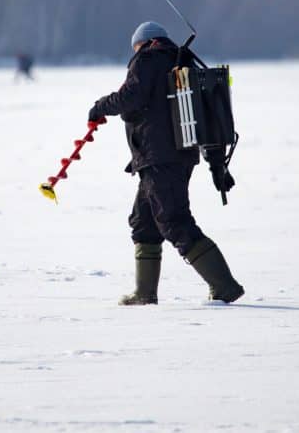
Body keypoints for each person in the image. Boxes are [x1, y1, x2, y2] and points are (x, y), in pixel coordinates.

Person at [88, 21, 244, 305]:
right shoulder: (182, 63)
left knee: (175, 221)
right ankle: (144, 293)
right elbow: (209, 115)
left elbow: (130, 97)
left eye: (134, 48)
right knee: (143, 223)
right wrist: (216, 165)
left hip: (159, 158)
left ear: (143, 43)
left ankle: (225, 286)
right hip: (174, 158)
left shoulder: (147, 60)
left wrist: (101, 106)